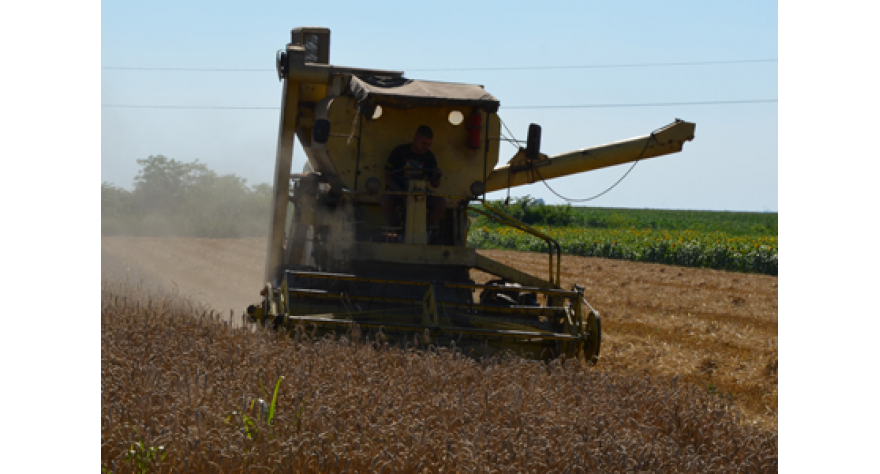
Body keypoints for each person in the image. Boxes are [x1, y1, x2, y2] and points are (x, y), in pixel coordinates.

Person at [381, 125, 446, 230]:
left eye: (429, 144)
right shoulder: (399, 151)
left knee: (441, 203)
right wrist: (399, 192)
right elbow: (387, 176)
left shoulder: (429, 156)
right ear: (415, 138)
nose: (426, 147)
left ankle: (425, 231)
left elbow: (435, 185)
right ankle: (396, 230)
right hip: (398, 190)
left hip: (420, 192)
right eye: (423, 143)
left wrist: (437, 176)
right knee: (386, 200)